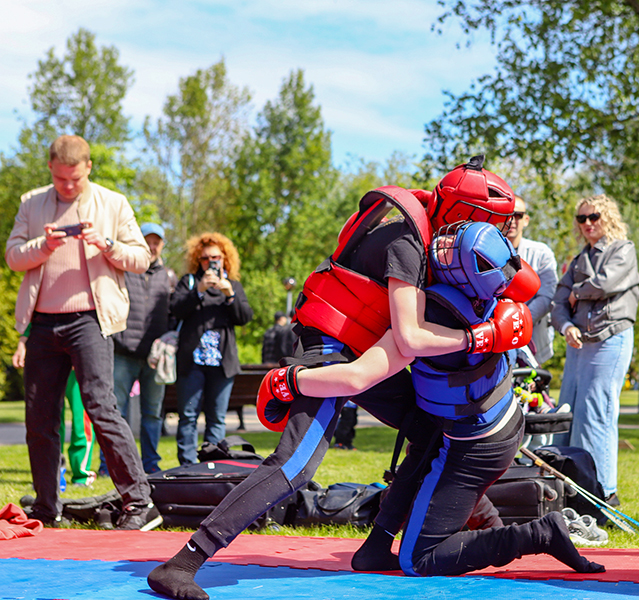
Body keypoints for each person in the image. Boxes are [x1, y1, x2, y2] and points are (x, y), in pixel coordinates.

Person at [147, 156, 531, 600]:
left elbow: (518, 284)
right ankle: (183, 562)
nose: (496, 235)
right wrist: (480, 336)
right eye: (491, 223)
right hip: (332, 351)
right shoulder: (409, 239)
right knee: (295, 466)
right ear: (463, 213)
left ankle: (375, 546)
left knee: (428, 428)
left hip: (360, 349)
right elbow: (408, 337)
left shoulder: (432, 235)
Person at [271, 222, 600, 577]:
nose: (440, 249)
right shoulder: (484, 290)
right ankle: (377, 545)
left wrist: (294, 379)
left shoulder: (437, 314)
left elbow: (363, 374)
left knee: (419, 559)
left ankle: (538, 533)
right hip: (473, 424)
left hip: (477, 445)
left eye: (452, 251)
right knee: (418, 454)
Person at [4, 134, 160, 530]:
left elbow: (141, 258)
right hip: (42, 323)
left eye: (74, 179)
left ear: (88, 167)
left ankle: (139, 503)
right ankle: (46, 507)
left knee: (100, 406)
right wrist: (44, 244)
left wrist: (106, 244)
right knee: (39, 419)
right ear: (51, 171)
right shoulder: (31, 202)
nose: (68, 187)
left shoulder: (113, 202)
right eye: (60, 180)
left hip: (90, 319)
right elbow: (13, 257)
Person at [550, 195, 639, 507]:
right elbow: (557, 302)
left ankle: (603, 491)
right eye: (581, 218)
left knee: (595, 413)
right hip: (579, 342)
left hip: (609, 340)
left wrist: (576, 291)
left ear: (609, 216)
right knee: (568, 413)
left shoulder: (623, 250)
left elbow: (604, 284)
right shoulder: (578, 260)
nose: (588, 223)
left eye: (594, 216)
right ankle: (570, 488)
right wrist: (566, 326)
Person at [171, 232, 253, 466]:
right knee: (187, 417)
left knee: (217, 419)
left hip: (222, 364)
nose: (211, 262)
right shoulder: (188, 282)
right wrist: (199, 290)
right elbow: (175, 310)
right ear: (198, 260)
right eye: (205, 258)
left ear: (225, 258)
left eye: (215, 257)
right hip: (192, 362)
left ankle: (212, 465)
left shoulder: (233, 284)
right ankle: (187, 467)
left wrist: (230, 295)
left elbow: (244, 317)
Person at [108, 222, 171, 474]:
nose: (152, 246)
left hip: (155, 357)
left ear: (162, 245)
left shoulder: (169, 276)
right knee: (115, 412)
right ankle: (111, 464)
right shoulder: (123, 270)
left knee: (153, 415)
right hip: (124, 352)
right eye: (148, 240)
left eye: (157, 242)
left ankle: (151, 464)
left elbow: (173, 314)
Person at [13, 330, 95, 488]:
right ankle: (51, 476)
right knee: (50, 420)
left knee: (81, 421)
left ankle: (81, 475)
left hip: (77, 359)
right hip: (49, 358)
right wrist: (22, 344)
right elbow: (30, 317)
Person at [505, 195, 558, 366]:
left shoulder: (542, 252)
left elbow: (547, 297)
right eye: (507, 214)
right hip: (497, 340)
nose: (512, 220)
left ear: (526, 220)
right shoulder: (485, 251)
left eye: (517, 215)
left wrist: (517, 322)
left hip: (535, 342)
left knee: (533, 389)